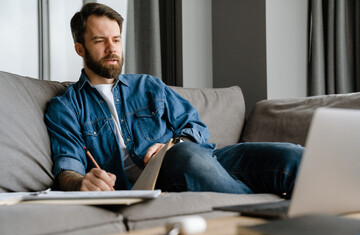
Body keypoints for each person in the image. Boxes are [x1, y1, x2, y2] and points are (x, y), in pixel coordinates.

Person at [45, 3, 303, 198]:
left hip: (207, 159)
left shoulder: (148, 86)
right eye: (100, 41)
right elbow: (68, 167)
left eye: (116, 40)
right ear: (80, 49)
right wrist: (82, 183)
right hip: (161, 179)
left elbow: (196, 128)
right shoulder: (66, 107)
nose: (112, 48)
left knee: (292, 156)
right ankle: (259, 210)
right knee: (184, 155)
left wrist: (171, 145)